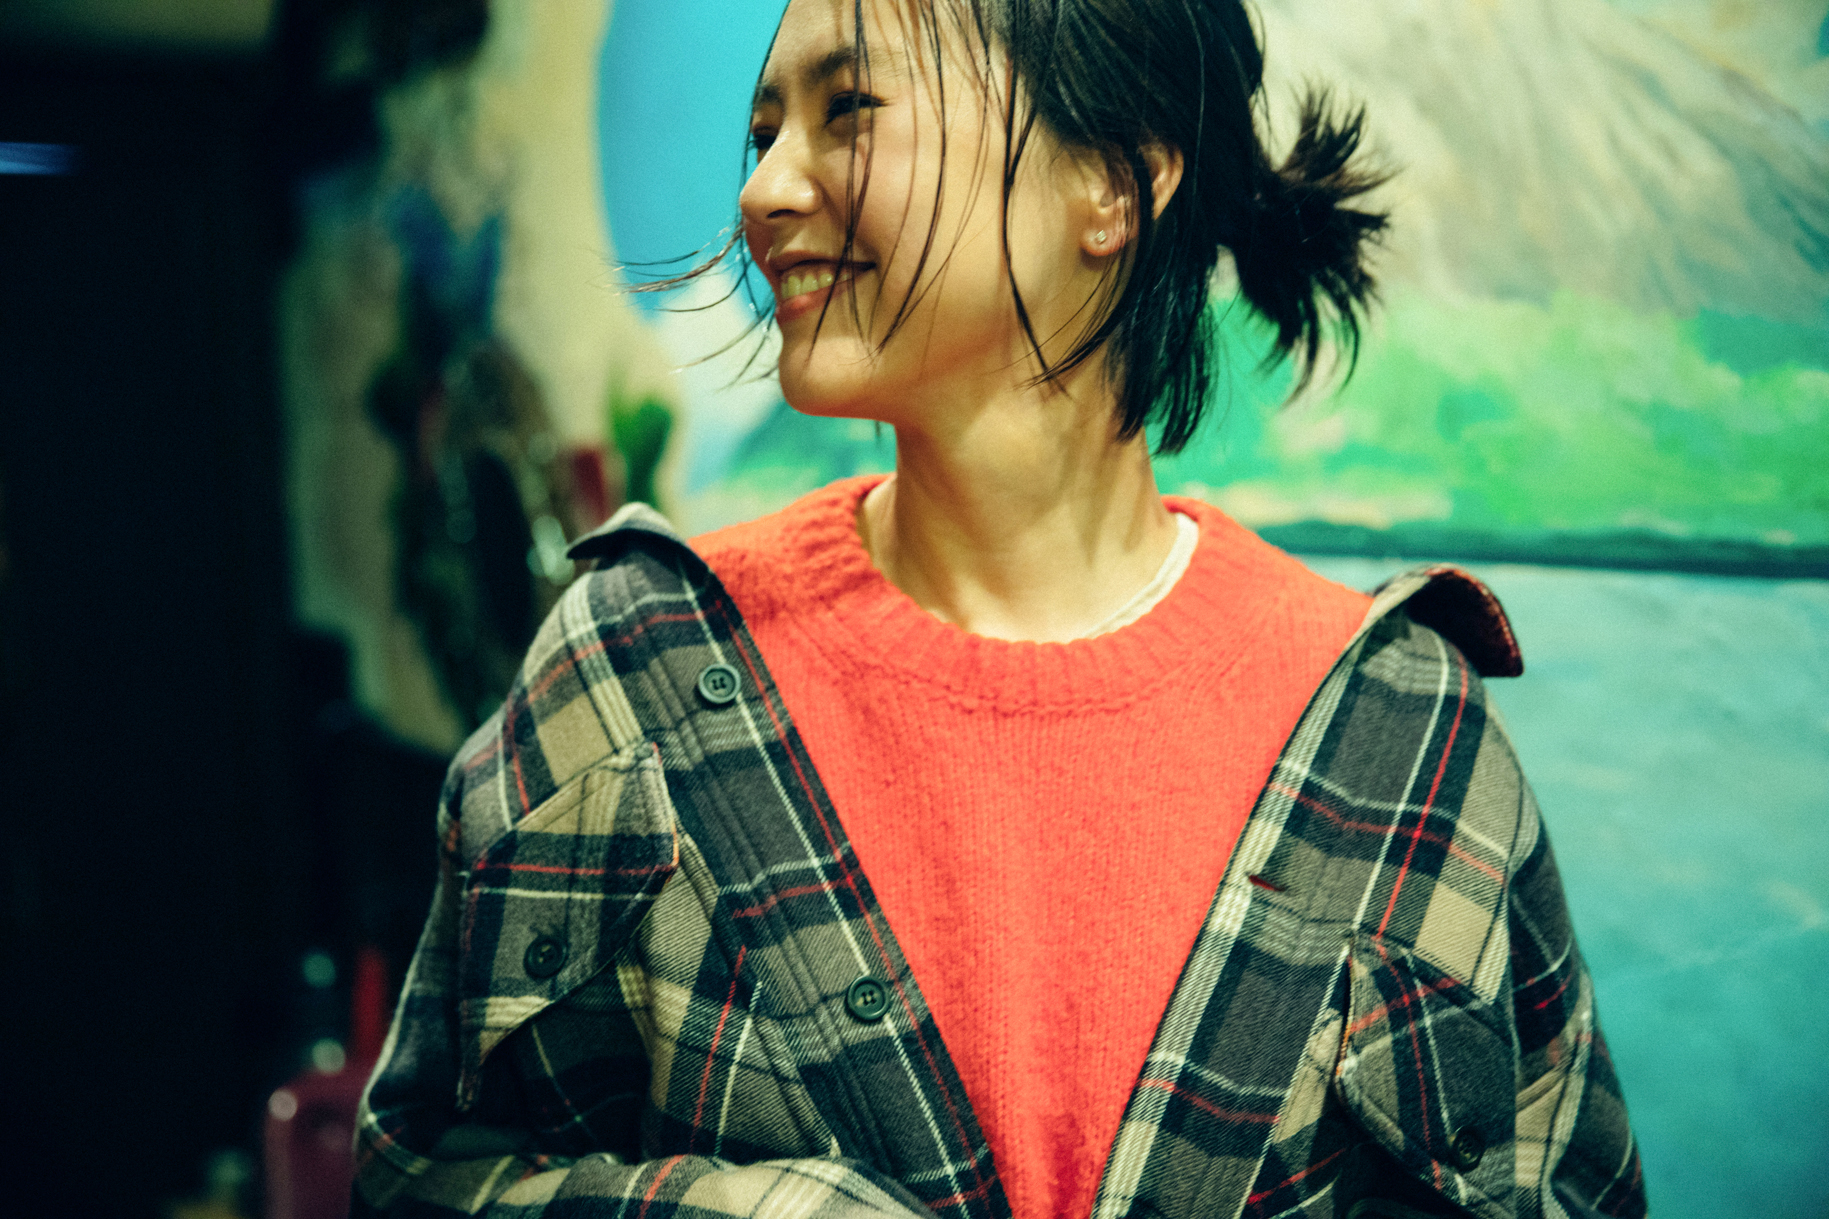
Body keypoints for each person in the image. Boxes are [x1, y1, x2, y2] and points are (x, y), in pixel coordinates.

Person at [354, 0, 1646, 1216]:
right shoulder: (636, 666)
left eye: (848, 109)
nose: (761, 192)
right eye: (761, 133)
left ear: (1114, 187)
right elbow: (421, 1172)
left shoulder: (1400, 734)